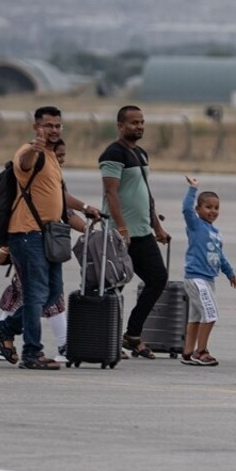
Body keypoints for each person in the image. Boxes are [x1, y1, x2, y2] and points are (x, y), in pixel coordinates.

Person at [0, 107, 98, 371]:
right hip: (28, 235)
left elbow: (60, 196)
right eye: (48, 125)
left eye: (57, 126)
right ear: (36, 127)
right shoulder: (30, 152)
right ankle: (31, 353)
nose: (53, 130)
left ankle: (5, 330)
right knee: (36, 294)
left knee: (50, 294)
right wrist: (33, 148)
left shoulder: (51, 157)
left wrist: (86, 209)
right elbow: (23, 162)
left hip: (49, 236)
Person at [100, 105, 172, 360]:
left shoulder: (140, 153)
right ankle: (108, 338)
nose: (139, 126)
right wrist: (121, 228)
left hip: (142, 233)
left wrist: (157, 227)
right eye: (133, 123)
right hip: (120, 234)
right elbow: (111, 193)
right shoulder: (113, 153)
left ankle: (131, 335)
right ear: (121, 126)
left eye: (141, 122)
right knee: (113, 286)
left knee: (158, 278)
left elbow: (145, 192)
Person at [180, 176, 236, 366]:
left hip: (208, 279)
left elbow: (219, 255)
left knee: (197, 317)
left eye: (216, 208)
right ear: (198, 210)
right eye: (208, 207)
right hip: (196, 278)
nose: (213, 211)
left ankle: (188, 352)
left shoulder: (215, 232)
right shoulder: (195, 225)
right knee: (211, 314)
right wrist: (193, 189)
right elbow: (185, 209)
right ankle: (201, 351)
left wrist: (230, 273)